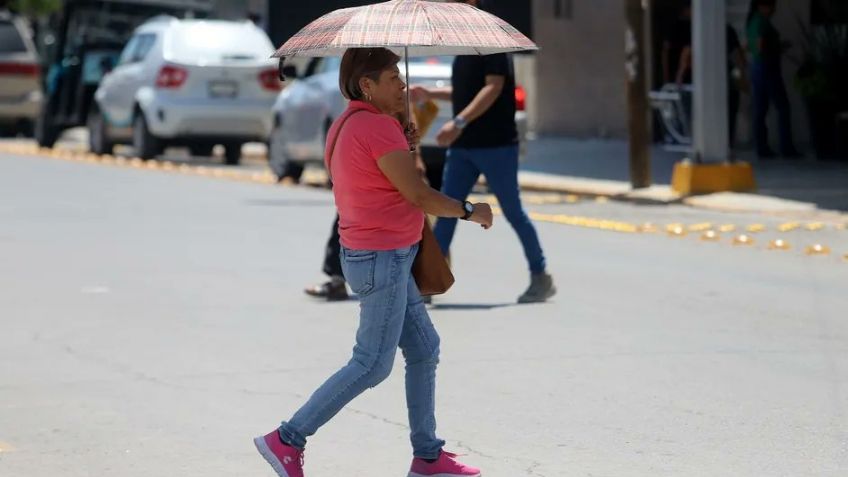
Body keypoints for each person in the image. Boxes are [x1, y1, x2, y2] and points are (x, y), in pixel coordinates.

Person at [254, 47, 493, 477]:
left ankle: (427, 456)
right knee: (371, 363)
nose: (402, 85)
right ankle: (287, 438)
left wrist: (405, 132)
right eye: (392, 79)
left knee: (424, 349)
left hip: (377, 256)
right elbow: (418, 195)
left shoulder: (348, 122)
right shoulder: (377, 127)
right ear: (366, 84)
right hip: (382, 259)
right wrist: (471, 210)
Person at [409, 0, 555, 304]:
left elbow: (493, 87)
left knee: (513, 212)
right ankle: (428, 282)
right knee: (446, 210)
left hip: (496, 145)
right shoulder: (463, 45)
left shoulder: (491, 38)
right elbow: (466, 92)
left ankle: (540, 275)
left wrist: (459, 121)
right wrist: (430, 92)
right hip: (464, 148)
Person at [675, 24, 750, 150]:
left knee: (708, 114)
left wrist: (681, 74)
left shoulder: (701, 25)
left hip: (706, 78)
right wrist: (742, 77)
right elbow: (738, 57)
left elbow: (687, 51)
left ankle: (708, 145)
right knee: (728, 114)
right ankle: (725, 146)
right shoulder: (725, 29)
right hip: (724, 77)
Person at [746, 0, 800, 158]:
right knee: (783, 107)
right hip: (767, 67)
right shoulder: (762, 22)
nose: (773, 10)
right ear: (763, 6)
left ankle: (762, 148)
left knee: (760, 110)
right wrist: (778, 47)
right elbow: (761, 45)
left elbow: (751, 46)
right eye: (772, 6)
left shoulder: (752, 21)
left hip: (757, 67)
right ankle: (787, 147)